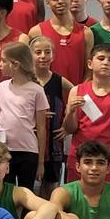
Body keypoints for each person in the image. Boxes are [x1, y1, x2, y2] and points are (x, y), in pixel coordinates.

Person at [64, 44, 110, 185]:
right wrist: (70, 112)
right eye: (101, 58)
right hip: (80, 158)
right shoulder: (76, 91)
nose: (106, 62)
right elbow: (70, 129)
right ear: (90, 63)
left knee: (106, 202)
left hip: (107, 160)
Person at [0, 42, 48, 190]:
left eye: (3, 61)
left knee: (26, 192)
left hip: (28, 150)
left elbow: (41, 127)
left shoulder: (36, 90)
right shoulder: (2, 87)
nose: (0, 64)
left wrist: (40, 163)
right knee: (5, 191)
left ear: (16, 64)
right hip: (4, 149)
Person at [27, 0, 92, 85]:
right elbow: (31, 67)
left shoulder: (86, 33)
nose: (60, 1)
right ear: (48, 2)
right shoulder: (36, 31)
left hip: (77, 97)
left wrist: (79, 92)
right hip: (46, 96)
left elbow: (89, 70)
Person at [30, 36, 70, 198]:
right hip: (30, 142)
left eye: (47, 52)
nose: (43, 56)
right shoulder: (26, 80)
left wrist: (67, 125)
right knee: (32, 188)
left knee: (52, 188)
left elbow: (82, 95)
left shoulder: (59, 80)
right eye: (38, 52)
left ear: (53, 56)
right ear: (30, 55)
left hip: (53, 144)